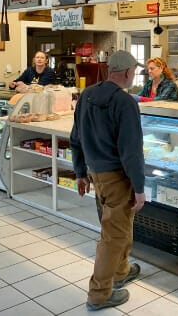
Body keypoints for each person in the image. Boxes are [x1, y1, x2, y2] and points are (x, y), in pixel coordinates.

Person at [69, 50, 147, 311]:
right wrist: (139, 187)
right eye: (134, 72)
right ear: (126, 72)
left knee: (121, 224)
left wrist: (80, 172)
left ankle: (121, 271)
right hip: (117, 177)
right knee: (113, 236)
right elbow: (131, 151)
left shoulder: (86, 95)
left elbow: (76, 138)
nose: (134, 76)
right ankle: (99, 294)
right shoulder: (125, 103)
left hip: (96, 173)